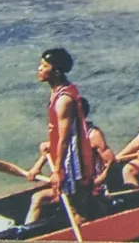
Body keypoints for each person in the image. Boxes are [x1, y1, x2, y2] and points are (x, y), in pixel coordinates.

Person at [24, 48, 94, 225]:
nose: (39, 69)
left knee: (77, 208)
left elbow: (65, 139)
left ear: (56, 72)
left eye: (44, 66)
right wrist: (47, 148)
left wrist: (57, 171)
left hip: (74, 161)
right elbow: (60, 135)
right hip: (67, 156)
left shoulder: (64, 100)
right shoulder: (57, 92)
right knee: (72, 203)